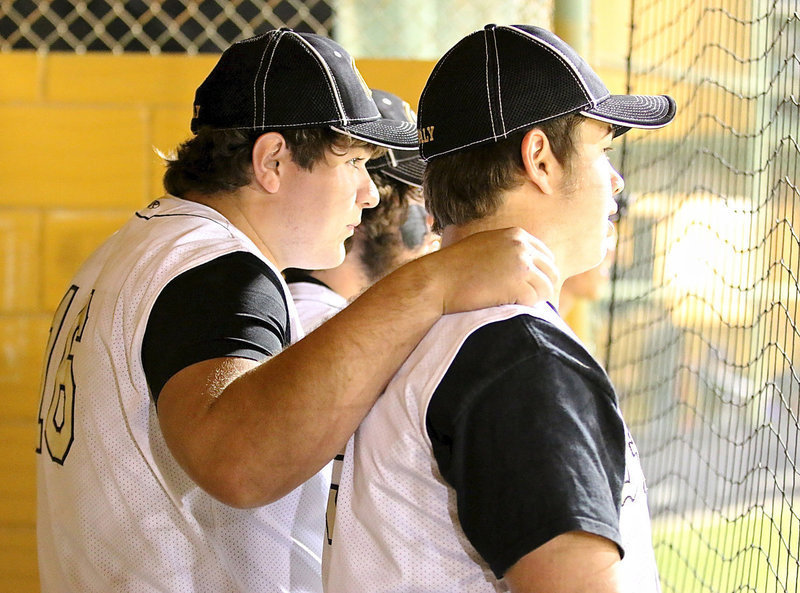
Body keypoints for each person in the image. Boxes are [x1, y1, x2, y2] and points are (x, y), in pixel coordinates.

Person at [35, 29, 559, 593]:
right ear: (274, 161)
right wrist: (432, 282)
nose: (370, 192)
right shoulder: (219, 268)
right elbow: (238, 462)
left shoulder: (140, 246)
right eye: (354, 161)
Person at [325, 24, 676, 593]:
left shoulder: (412, 328)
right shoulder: (519, 355)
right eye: (602, 149)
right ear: (539, 158)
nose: (614, 181)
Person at [285, 88, 437, 331]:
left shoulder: (343, 317)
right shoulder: (311, 322)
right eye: (419, 196)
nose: (432, 221)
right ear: (367, 207)